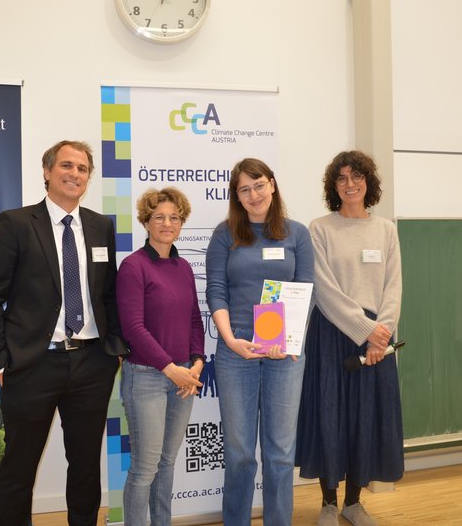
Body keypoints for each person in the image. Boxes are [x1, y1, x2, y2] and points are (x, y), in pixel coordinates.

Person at [0, 140, 127, 526]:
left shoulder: (101, 226)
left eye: (82, 168)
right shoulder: (16, 223)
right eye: (66, 165)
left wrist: (114, 348)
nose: (75, 174)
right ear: (47, 171)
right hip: (32, 365)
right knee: (19, 468)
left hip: (92, 363)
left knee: (85, 466)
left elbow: (108, 293)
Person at [295, 150, 403, 526]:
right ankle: (328, 503)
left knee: (366, 418)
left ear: (368, 183)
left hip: (377, 338)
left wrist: (380, 334)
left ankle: (353, 503)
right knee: (330, 414)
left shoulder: (386, 229)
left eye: (357, 176)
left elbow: (394, 287)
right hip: (332, 333)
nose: (350, 184)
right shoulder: (319, 228)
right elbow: (323, 289)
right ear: (334, 186)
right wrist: (365, 329)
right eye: (341, 178)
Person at [205, 157, 314, 526]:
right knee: (239, 453)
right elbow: (216, 291)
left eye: (259, 185)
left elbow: (307, 290)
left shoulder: (297, 233)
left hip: (284, 353)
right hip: (236, 350)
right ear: (236, 196)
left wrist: (291, 339)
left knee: (280, 452)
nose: (253, 195)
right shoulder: (225, 234)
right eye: (244, 189)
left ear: (272, 184)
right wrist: (231, 339)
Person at [116, 187, 205, 526]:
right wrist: (171, 369)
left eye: (174, 218)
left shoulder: (183, 267)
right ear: (146, 222)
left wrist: (197, 362)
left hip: (184, 377)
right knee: (145, 468)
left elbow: (194, 319)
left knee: (167, 463)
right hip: (147, 378)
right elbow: (133, 328)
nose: (168, 224)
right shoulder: (133, 266)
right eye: (159, 217)